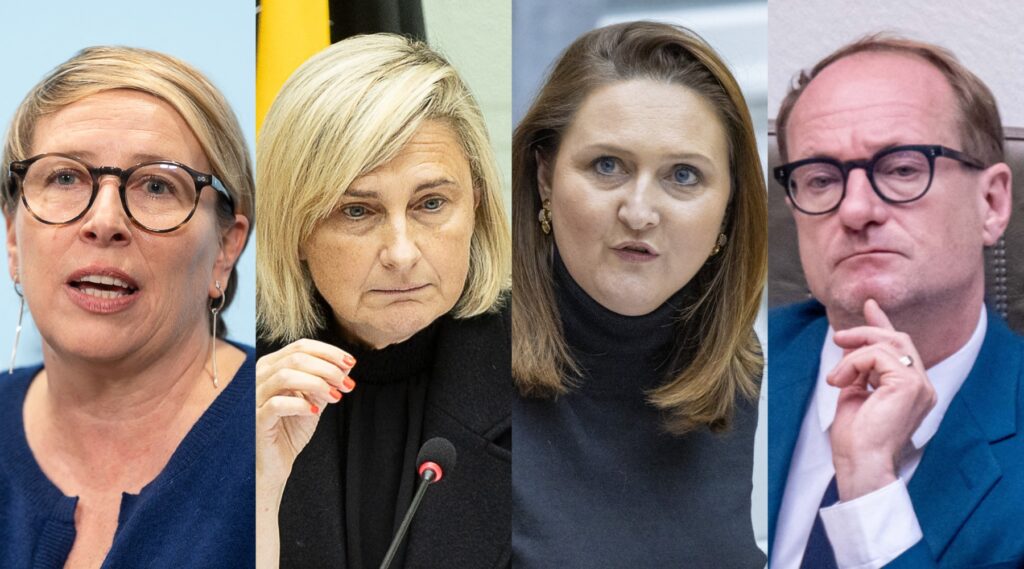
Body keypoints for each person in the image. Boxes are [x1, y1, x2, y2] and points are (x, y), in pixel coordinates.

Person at [512, 21, 767, 567]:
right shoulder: (477, 352)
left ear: (729, 208)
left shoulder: (735, 363)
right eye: (608, 166)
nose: (639, 212)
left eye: (683, 175)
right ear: (544, 177)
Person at [255, 34, 512, 569]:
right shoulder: (220, 382)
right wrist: (256, 485)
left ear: (477, 205)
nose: (401, 253)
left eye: (431, 203)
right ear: (294, 229)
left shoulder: (549, 376)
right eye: (357, 211)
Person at [769, 35, 1024, 568]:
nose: (856, 210)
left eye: (903, 169)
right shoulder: (722, 366)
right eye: (821, 179)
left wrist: (868, 489)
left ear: (992, 203)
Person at [0, 46, 254, 567]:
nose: (105, 221)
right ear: (13, 238)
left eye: (156, 185)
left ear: (225, 249)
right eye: (64, 178)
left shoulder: (287, 435)